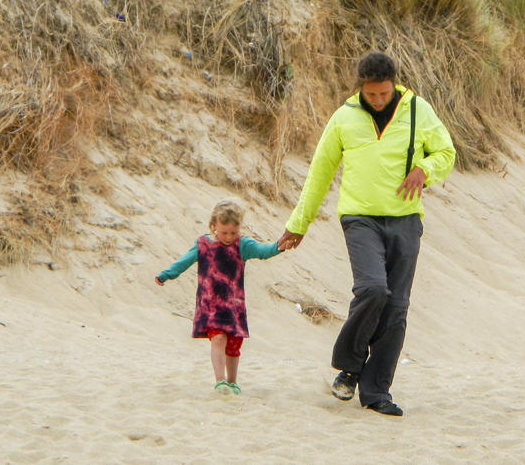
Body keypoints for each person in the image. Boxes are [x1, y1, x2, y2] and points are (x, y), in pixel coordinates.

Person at [277, 52, 455, 416]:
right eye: (371, 94)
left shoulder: (419, 111)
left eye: (384, 94)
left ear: (394, 86)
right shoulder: (344, 117)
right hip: (360, 219)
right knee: (373, 288)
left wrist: (424, 169)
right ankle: (350, 365)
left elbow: (446, 152)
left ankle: (376, 393)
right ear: (361, 86)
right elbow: (320, 173)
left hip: (405, 220)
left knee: (396, 307)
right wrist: (299, 223)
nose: (377, 100)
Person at [156, 199, 283, 395]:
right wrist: (167, 274)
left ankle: (232, 382)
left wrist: (279, 246)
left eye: (233, 232)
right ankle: (220, 380)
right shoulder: (203, 244)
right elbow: (184, 262)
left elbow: (263, 252)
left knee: (233, 345)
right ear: (213, 225)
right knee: (218, 339)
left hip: (234, 306)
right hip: (211, 305)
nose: (228, 237)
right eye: (224, 232)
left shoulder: (243, 245)